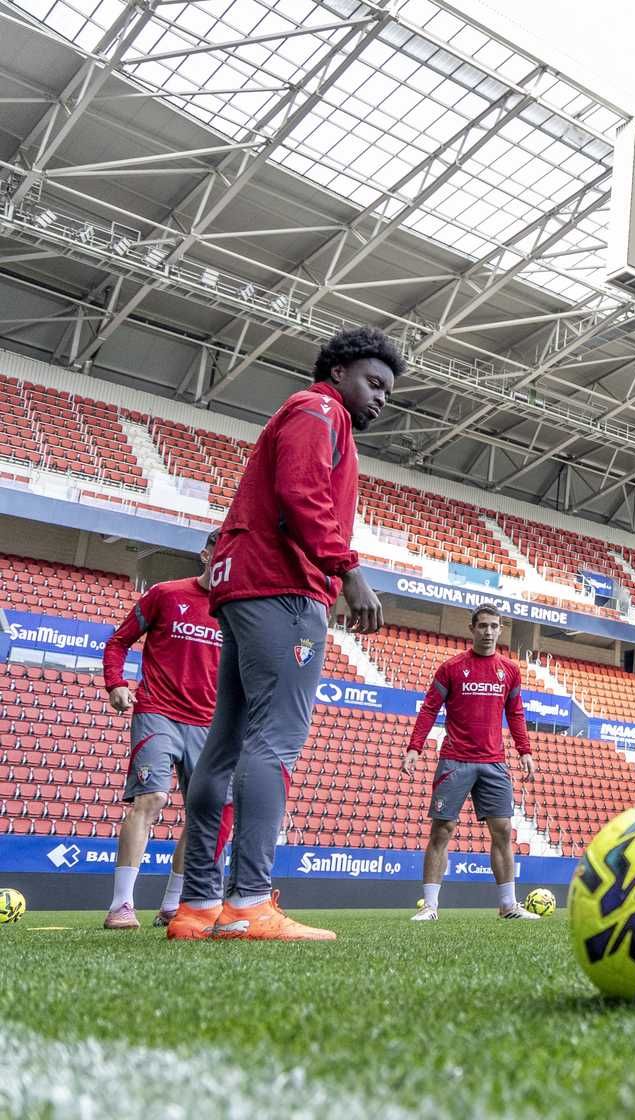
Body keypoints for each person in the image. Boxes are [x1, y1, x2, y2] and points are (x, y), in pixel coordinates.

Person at [168, 326, 399, 942]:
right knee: (273, 742)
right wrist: (348, 570)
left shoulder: (308, 413)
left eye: (388, 390)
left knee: (222, 748)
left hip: (246, 587)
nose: (381, 398)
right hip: (283, 587)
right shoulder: (320, 410)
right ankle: (248, 902)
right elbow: (301, 494)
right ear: (339, 372)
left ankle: (197, 907)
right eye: (374, 382)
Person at [100, 530, 222, 929]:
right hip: (158, 712)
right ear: (206, 554)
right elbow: (118, 642)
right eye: (222, 550)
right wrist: (116, 683)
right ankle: (121, 904)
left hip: (209, 723)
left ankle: (172, 905)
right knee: (151, 798)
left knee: (204, 815)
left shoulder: (238, 612)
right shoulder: (166, 594)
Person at [404, 605, 538, 920]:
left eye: (494, 626)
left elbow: (515, 713)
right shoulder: (451, 668)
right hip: (455, 760)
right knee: (442, 829)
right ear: (472, 628)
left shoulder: (510, 670)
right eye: (483, 626)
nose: (488, 632)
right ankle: (430, 907)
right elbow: (429, 708)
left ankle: (508, 906)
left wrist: (525, 751)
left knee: (503, 830)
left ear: (500, 629)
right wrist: (415, 747)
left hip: (494, 762)